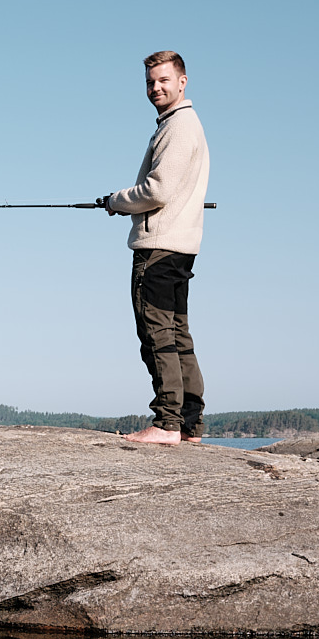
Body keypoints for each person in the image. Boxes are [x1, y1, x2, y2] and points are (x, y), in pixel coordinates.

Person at [97, 51, 211, 445]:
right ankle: (190, 426)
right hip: (180, 247)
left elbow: (157, 190)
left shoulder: (178, 127)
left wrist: (116, 201)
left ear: (182, 81)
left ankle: (166, 424)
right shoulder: (182, 125)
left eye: (163, 80)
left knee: (157, 334)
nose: (156, 88)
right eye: (150, 82)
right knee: (178, 334)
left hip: (159, 247)